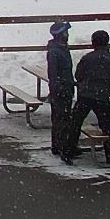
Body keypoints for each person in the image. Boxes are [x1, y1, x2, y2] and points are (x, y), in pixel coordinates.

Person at [62, 30, 110, 165]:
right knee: (106, 126)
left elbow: (78, 75)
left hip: (85, 95)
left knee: (75, 124)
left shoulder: (87, 58)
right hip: (102, 97)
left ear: (93, 42)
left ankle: (69, 150)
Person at [45, 21, 75, 157]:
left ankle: (61, 145)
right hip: (61, 90)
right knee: (60, 118)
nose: (67, 35)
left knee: (63, 118)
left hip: (66, 88)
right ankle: (61, 146)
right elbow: (53, 74)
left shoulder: (62, 49)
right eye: (65, 33)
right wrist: (58, 89)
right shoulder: (55, 52)